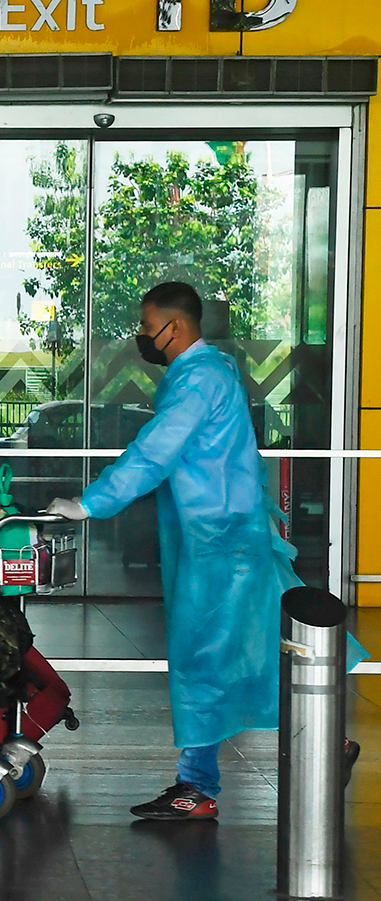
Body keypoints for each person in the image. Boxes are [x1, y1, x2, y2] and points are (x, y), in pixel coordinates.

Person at [44, 282, 355, 820]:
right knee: (253, 653)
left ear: (176, 328)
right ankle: (316, 749)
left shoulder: (200, 378)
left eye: (147, 327)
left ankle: (198, 787)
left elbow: (155, 451)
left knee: (203, 658)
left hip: (220, 546)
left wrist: (89, 504)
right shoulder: (208, 372)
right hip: (229, 539)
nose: (143, 337)